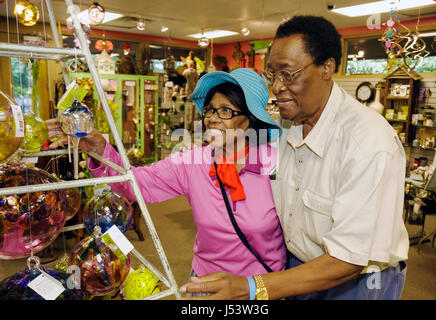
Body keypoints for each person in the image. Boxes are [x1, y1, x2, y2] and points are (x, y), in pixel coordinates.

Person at [180, 15, 409, 300]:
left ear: (327, 68)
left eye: (287, 74)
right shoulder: (287, 126)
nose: (276, 87)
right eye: (272, 75)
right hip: (297, 266)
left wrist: (253, 287)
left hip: (355, 280)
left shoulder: (368, 143)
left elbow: (348, 259)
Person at [46, 68, 286, 292]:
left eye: (225, 110)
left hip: (262, 287)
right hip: (206, 286)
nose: (212, 118)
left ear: (250, 120)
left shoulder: (278, 165)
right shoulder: (194, 162)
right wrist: (100, 151)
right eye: (210, 110)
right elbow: (135, 184)